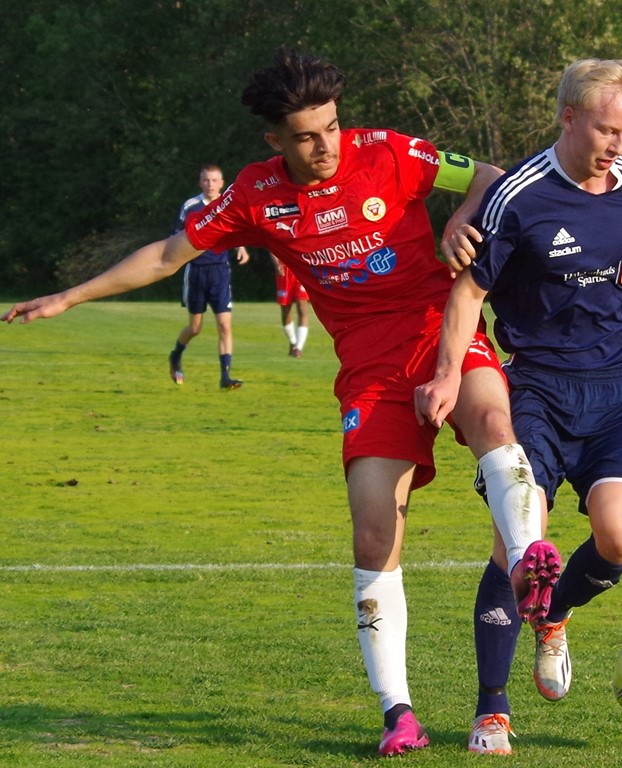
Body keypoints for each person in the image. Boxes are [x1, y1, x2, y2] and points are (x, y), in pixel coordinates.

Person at [2, 47, 562, 758]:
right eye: (305, 135)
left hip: (438, 331)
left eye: (330, 127)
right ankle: (398, 712)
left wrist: (463, 218)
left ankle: (527, 560)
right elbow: (170, 252)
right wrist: (70, 294)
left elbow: (488, 176)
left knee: (491, 417)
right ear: (275, 141)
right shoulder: (255, 195)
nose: (325, 145)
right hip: (368, 370)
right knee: (372, 535)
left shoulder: (391, 151)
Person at [415, 58, 622, 754]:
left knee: (618, 539)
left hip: (617, 396)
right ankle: (492, 708)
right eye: (607, 129)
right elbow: (467, 293)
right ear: (570, 118)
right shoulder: (519, 196)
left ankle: (554, 615)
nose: (619, 144)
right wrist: (447, 377)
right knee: (517, 542)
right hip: (536, 394)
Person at [168, 164, 251, 389]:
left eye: (214, 181)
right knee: (195, 328)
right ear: (200, 182)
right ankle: (175, 356)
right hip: (196, 271)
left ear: (222, 183)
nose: (210, 185)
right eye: (206, 180)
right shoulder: (190, 207)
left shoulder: (227, 204)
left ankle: (225, 376)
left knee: (225, 325)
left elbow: (237, 229)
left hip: (220, 271)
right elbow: (175, 238)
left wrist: (240, 247)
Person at [270, 251, 310, 357]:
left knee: (302, 308)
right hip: (284, 270)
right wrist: (276, 263)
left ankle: (298, 348)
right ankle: (293, 342)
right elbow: (270, 246)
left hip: (300, 269)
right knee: (286, 311)